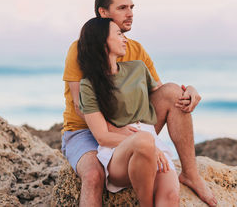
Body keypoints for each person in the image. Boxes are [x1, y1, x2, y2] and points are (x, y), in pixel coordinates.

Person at [62, 0, 217, 206]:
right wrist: (121, 133)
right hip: (85, 130)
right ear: (103, 13)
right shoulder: (80, 49)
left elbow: (161, 93)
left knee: (175, 94)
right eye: (122, 8)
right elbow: (80, 106)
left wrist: (188, 91)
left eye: (132, 7)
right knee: (93, 175)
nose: (130, 14)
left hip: (132, 126)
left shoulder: (136, 50)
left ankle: (190, 174)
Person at [77, 17, 180, 206]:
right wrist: (144, 144)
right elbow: (102, 137)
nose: (125, 39)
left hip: (149, 142)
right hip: (118, 154)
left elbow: (164, 94)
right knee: (144, 139)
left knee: (171, 196)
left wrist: (187, 91)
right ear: (102, 42)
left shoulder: (138, 68)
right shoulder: (89, 84)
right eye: (118, 34)